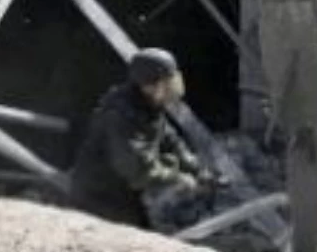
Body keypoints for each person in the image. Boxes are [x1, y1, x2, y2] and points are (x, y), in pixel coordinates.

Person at [68, 48, 216, 232]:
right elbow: (137, 170)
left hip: (126, 192)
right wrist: (179, 178)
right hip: (100, 197)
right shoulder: (122, 115)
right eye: (167, 83)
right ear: (149, 85)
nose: (173, 88)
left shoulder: (150, 107)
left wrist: (198, 170)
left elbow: (171, 142)